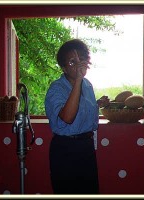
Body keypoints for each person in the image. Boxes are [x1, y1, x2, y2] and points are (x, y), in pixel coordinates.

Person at [44, 39, 109, 194]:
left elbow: (82, 108)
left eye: (81, 59)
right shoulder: (56, 88)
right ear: (64, 68)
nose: (79, 64)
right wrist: (79, 80)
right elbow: (67, 117)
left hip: (86, 147)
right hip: (66, 149)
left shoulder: (87, 84)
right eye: (72, 62)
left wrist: (98, 103)